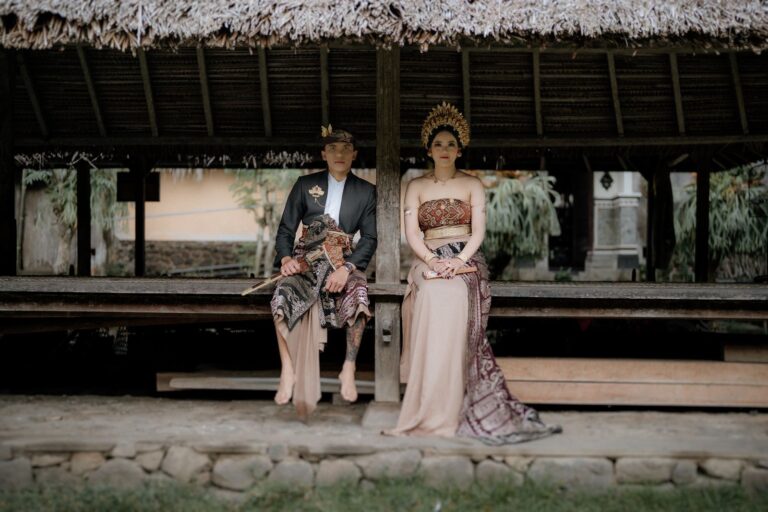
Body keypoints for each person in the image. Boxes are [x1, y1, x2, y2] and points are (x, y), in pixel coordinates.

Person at [389, 102, 561, 444]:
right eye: (438, 144)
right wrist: (433, 260)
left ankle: (454, 402)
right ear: (428, 149)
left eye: (451, 144)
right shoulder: (416, 186)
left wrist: (458, 261)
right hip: (427, 259)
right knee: (431, 293)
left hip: (466, 259)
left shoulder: (473, 184)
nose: (444, 149)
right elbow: (411, 234)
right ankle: (427, 401)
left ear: (459, 150)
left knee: (455, 294)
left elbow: (478, 231)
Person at [270, 125, 376, 418]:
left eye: (346, 149)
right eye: (333, 148)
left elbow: (369, 238)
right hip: (305, 258)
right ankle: (288, 369)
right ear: (324, 154)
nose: (339, 154)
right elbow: (286, 229)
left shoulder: (367, 191)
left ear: (354, 154)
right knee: (283, 292)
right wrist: (286, 259)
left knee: (359, 293)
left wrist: (348, 268)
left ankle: (348, 368)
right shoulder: (305, 185)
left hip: (343, 261)